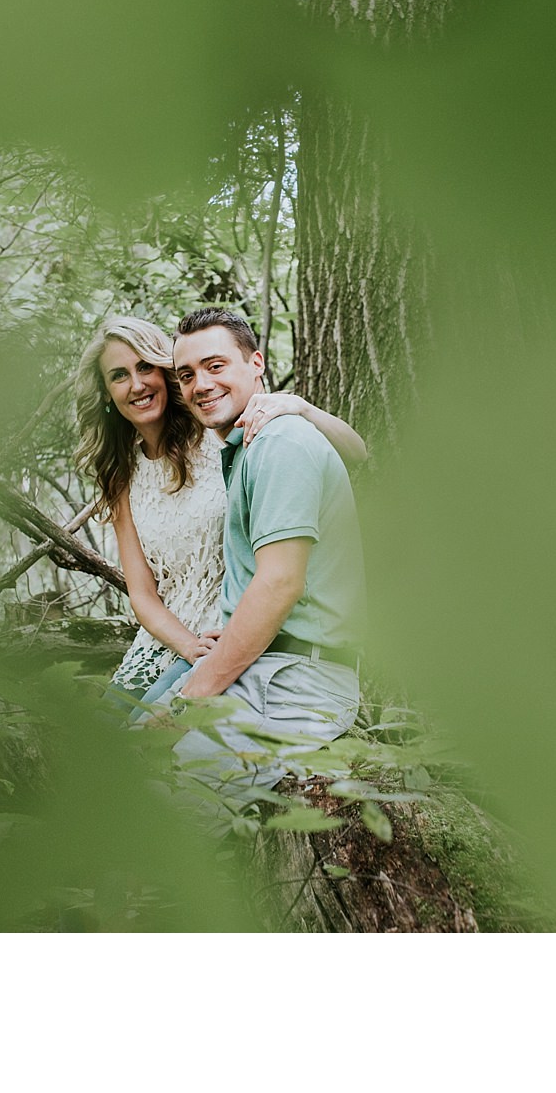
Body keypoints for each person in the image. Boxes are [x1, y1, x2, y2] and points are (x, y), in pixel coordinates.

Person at [72, 317, 366, 714]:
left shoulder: (220, 427)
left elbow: (355, 454)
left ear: (166, 375)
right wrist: (187, 645)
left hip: (233, 630)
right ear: (107, 393)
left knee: (151, 741)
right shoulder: (122, 474)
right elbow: (141, 594)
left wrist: (301, 406)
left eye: (145, 367)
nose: (137, 385)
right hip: (172, 636)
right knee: (104, 736)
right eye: (119, 375)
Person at [161, 308, 368, 810]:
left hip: (296, 684)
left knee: (164, 813)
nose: (200, 384)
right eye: (187, 375)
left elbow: (280, 585)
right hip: (266, 664)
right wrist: (232, 629)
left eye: (215, 366)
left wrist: (190, 702)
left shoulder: (278, 442)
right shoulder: (249, 445)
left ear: (256, 364)